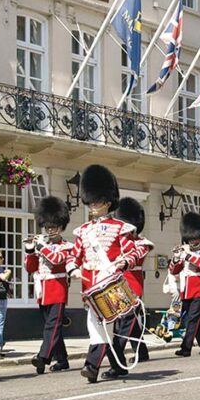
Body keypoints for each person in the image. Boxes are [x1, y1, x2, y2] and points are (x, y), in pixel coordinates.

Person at [67, 164, 137, 383]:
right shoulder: (83, 231)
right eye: (91, 201)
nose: (93, 205)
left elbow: (132, 253)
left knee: (100, 326)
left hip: (110, 286)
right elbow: (74, 255)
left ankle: (91, 366)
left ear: (108, 202)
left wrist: (122, 263)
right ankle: (118, 366)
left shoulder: (120, 228)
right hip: (89, 286)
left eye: (97, 201)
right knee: (99, 326)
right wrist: (73, 269)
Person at [105, 197, 153, 378]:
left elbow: (133, 257)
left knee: (124, 324)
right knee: (127, 323)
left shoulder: (142, 243)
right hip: (116, 284)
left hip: (132, 284)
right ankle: (141, 351)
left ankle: (117, 363)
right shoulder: (118, 241)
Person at [25, 196, 74, 375]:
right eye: (48, 227)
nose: (50, 230)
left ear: (61, 227)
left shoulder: (68, 246)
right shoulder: (42, 244)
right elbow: (30, 268)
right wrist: (30, 250)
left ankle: (43, 357)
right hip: (42, 289)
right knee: (52, 326)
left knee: (51, 326)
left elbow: (56, 260)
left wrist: (40, 246)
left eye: (53, 227)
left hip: (58, 288)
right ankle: (62, 359)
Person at [169, 212, 200, 357]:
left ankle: (186, 348)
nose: (193, 241)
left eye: (195, 238)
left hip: (199, 290)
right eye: (190, 238)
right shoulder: (185, 252)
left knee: (192, 319)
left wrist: (186, 255)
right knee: (188, 318)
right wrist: (176, 259)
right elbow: (174, 271)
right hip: (186, 290)